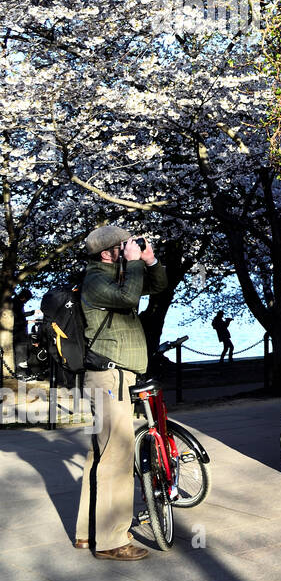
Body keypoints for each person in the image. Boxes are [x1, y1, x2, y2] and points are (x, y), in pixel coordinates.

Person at [74, 225, 168, 561]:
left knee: (101, 456)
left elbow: (157, 287)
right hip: (109, 377)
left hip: (114, 375)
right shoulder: (97, 280)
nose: (129, 248)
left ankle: (87, 533)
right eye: (123, 246)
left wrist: (149, 259)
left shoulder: (117, 275)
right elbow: (130, 297)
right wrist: (134, 263)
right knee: (117, 457)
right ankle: (113, 540)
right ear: (106, 253)